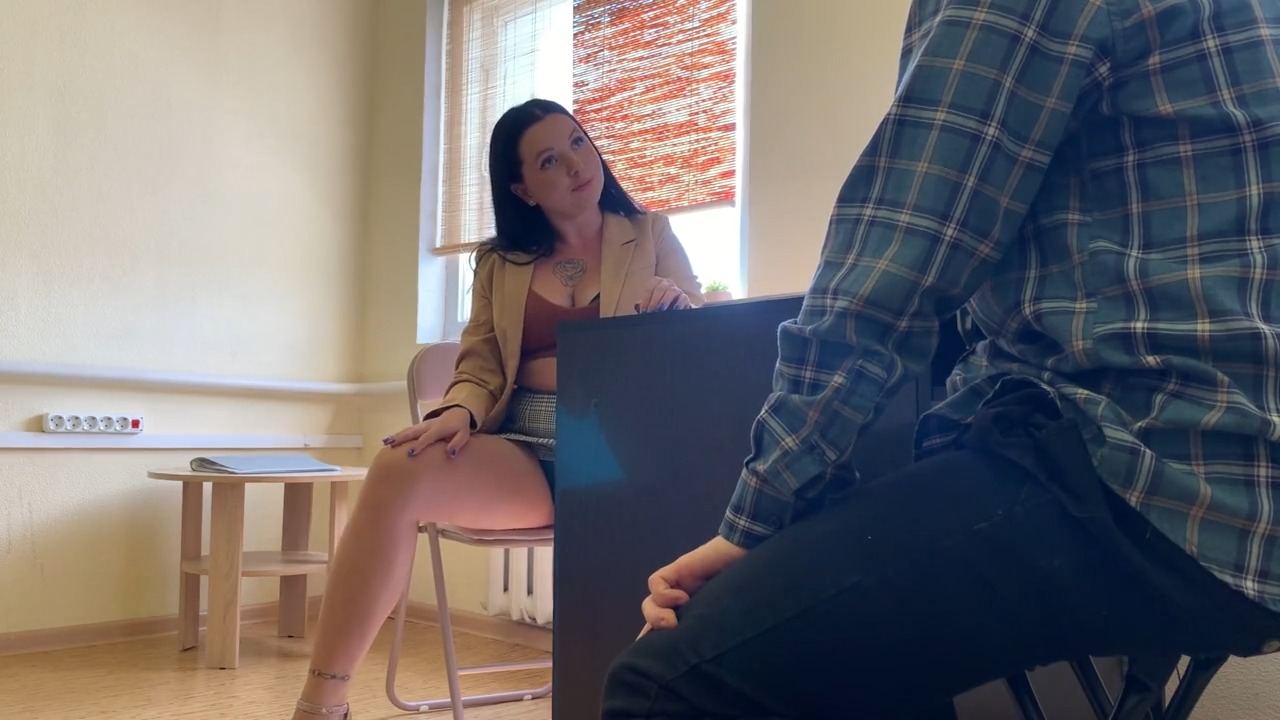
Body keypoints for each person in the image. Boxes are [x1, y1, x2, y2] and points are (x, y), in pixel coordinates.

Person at [602, 0, 1280, 718]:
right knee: (866, 651)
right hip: (1239, 487)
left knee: (664, 685)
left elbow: (901, 250)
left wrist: (756, 521)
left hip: (1157, 467)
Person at [290, 98, 704, 720]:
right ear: (522, 189)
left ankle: (629, 689)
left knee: (657, 508)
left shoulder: (650, 235)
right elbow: (480, 365)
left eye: (578, 143)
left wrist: (676, 307)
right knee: (397, 468)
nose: (575, 164)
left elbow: (699, 341)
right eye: (549, 160)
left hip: (616, 439)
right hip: (524, 443)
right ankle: (322, 704)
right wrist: (457, 412)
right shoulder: (498, 262)